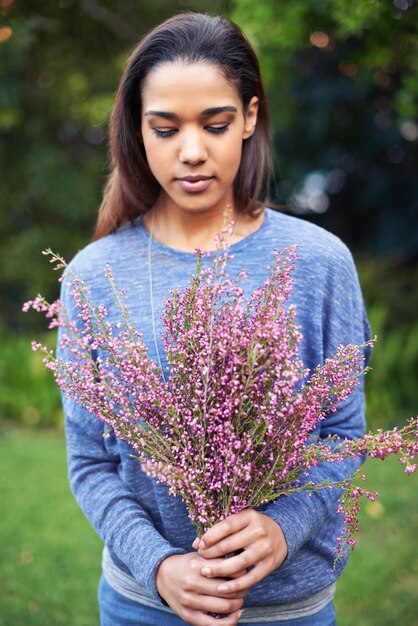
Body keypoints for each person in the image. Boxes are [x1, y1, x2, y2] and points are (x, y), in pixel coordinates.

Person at [59, 12, 370, 626]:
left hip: (288, 611)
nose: (192, 152)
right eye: (166, 129)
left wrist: (282, 529)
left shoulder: (317, 261)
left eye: (217, 124)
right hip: (143, 606)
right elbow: (91, 461)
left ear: (250, 117)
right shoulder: (93, 277)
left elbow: (342, 432)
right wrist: (158, 566)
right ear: (137, 130)